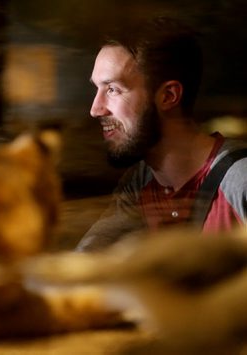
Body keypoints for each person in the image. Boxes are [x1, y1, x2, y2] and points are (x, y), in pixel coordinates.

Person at [77, 16, 247, 251]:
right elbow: (86, 262)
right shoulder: (139, 182)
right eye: (97, 89)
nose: (95, 109)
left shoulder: (240, 181)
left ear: (168, 96)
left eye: (113, 89)